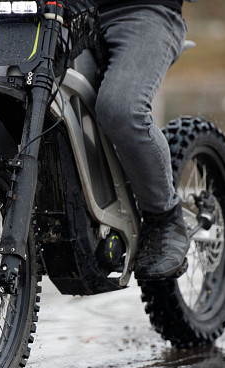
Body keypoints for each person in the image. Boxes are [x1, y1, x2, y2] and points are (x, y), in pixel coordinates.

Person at [93, 0, 193, 280]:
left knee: (121, 110)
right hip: (56, 18)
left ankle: (165, 220)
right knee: (0, 108)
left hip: (142, 10)